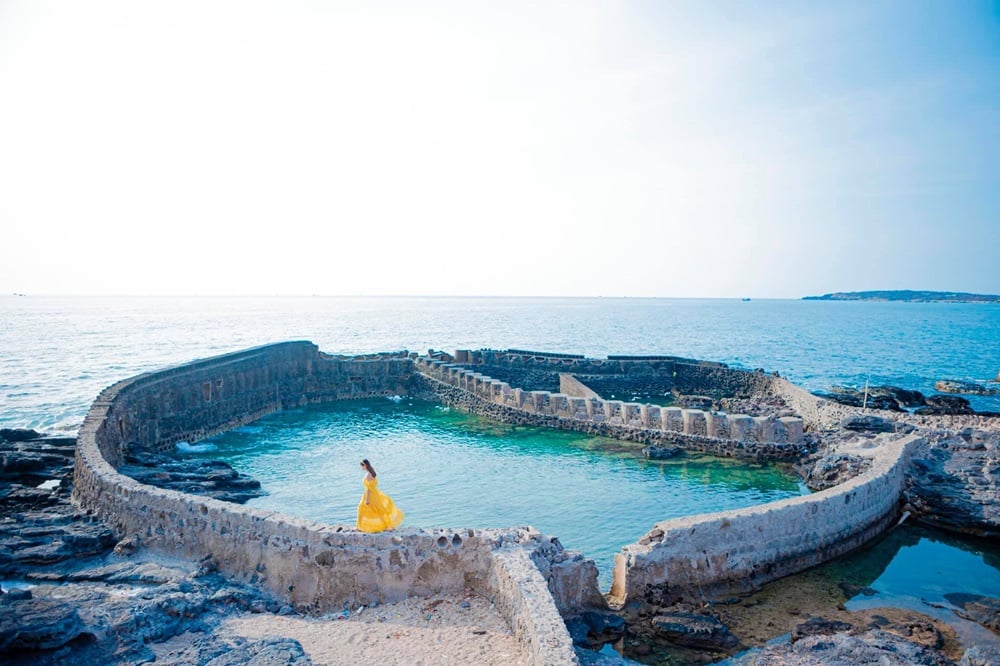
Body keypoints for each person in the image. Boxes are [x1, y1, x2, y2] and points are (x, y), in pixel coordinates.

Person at [356, 459, 404, 533]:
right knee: (378, 510)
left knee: (362, 508)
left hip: (370, 494)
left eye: (362, 466)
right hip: (375, 493)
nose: (361, 468)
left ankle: (360, 527)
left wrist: (367, 499)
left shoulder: (368, 475)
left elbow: (369, 488)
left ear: (365, 465)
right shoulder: (372, 471)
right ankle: (386, 525)